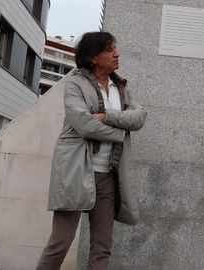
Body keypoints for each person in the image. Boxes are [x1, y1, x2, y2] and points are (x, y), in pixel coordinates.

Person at [36, 32, 147, 270]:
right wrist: (120, 131)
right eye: (109, 50)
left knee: (102, 247)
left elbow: (139, 118)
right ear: (93, 57)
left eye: (116, 48)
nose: (116, 54)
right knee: (60, 242)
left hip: (107, 176)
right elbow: (84, 124)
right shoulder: (75, 83)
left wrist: (107, 116)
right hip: (75, 172)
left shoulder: (121, 88)